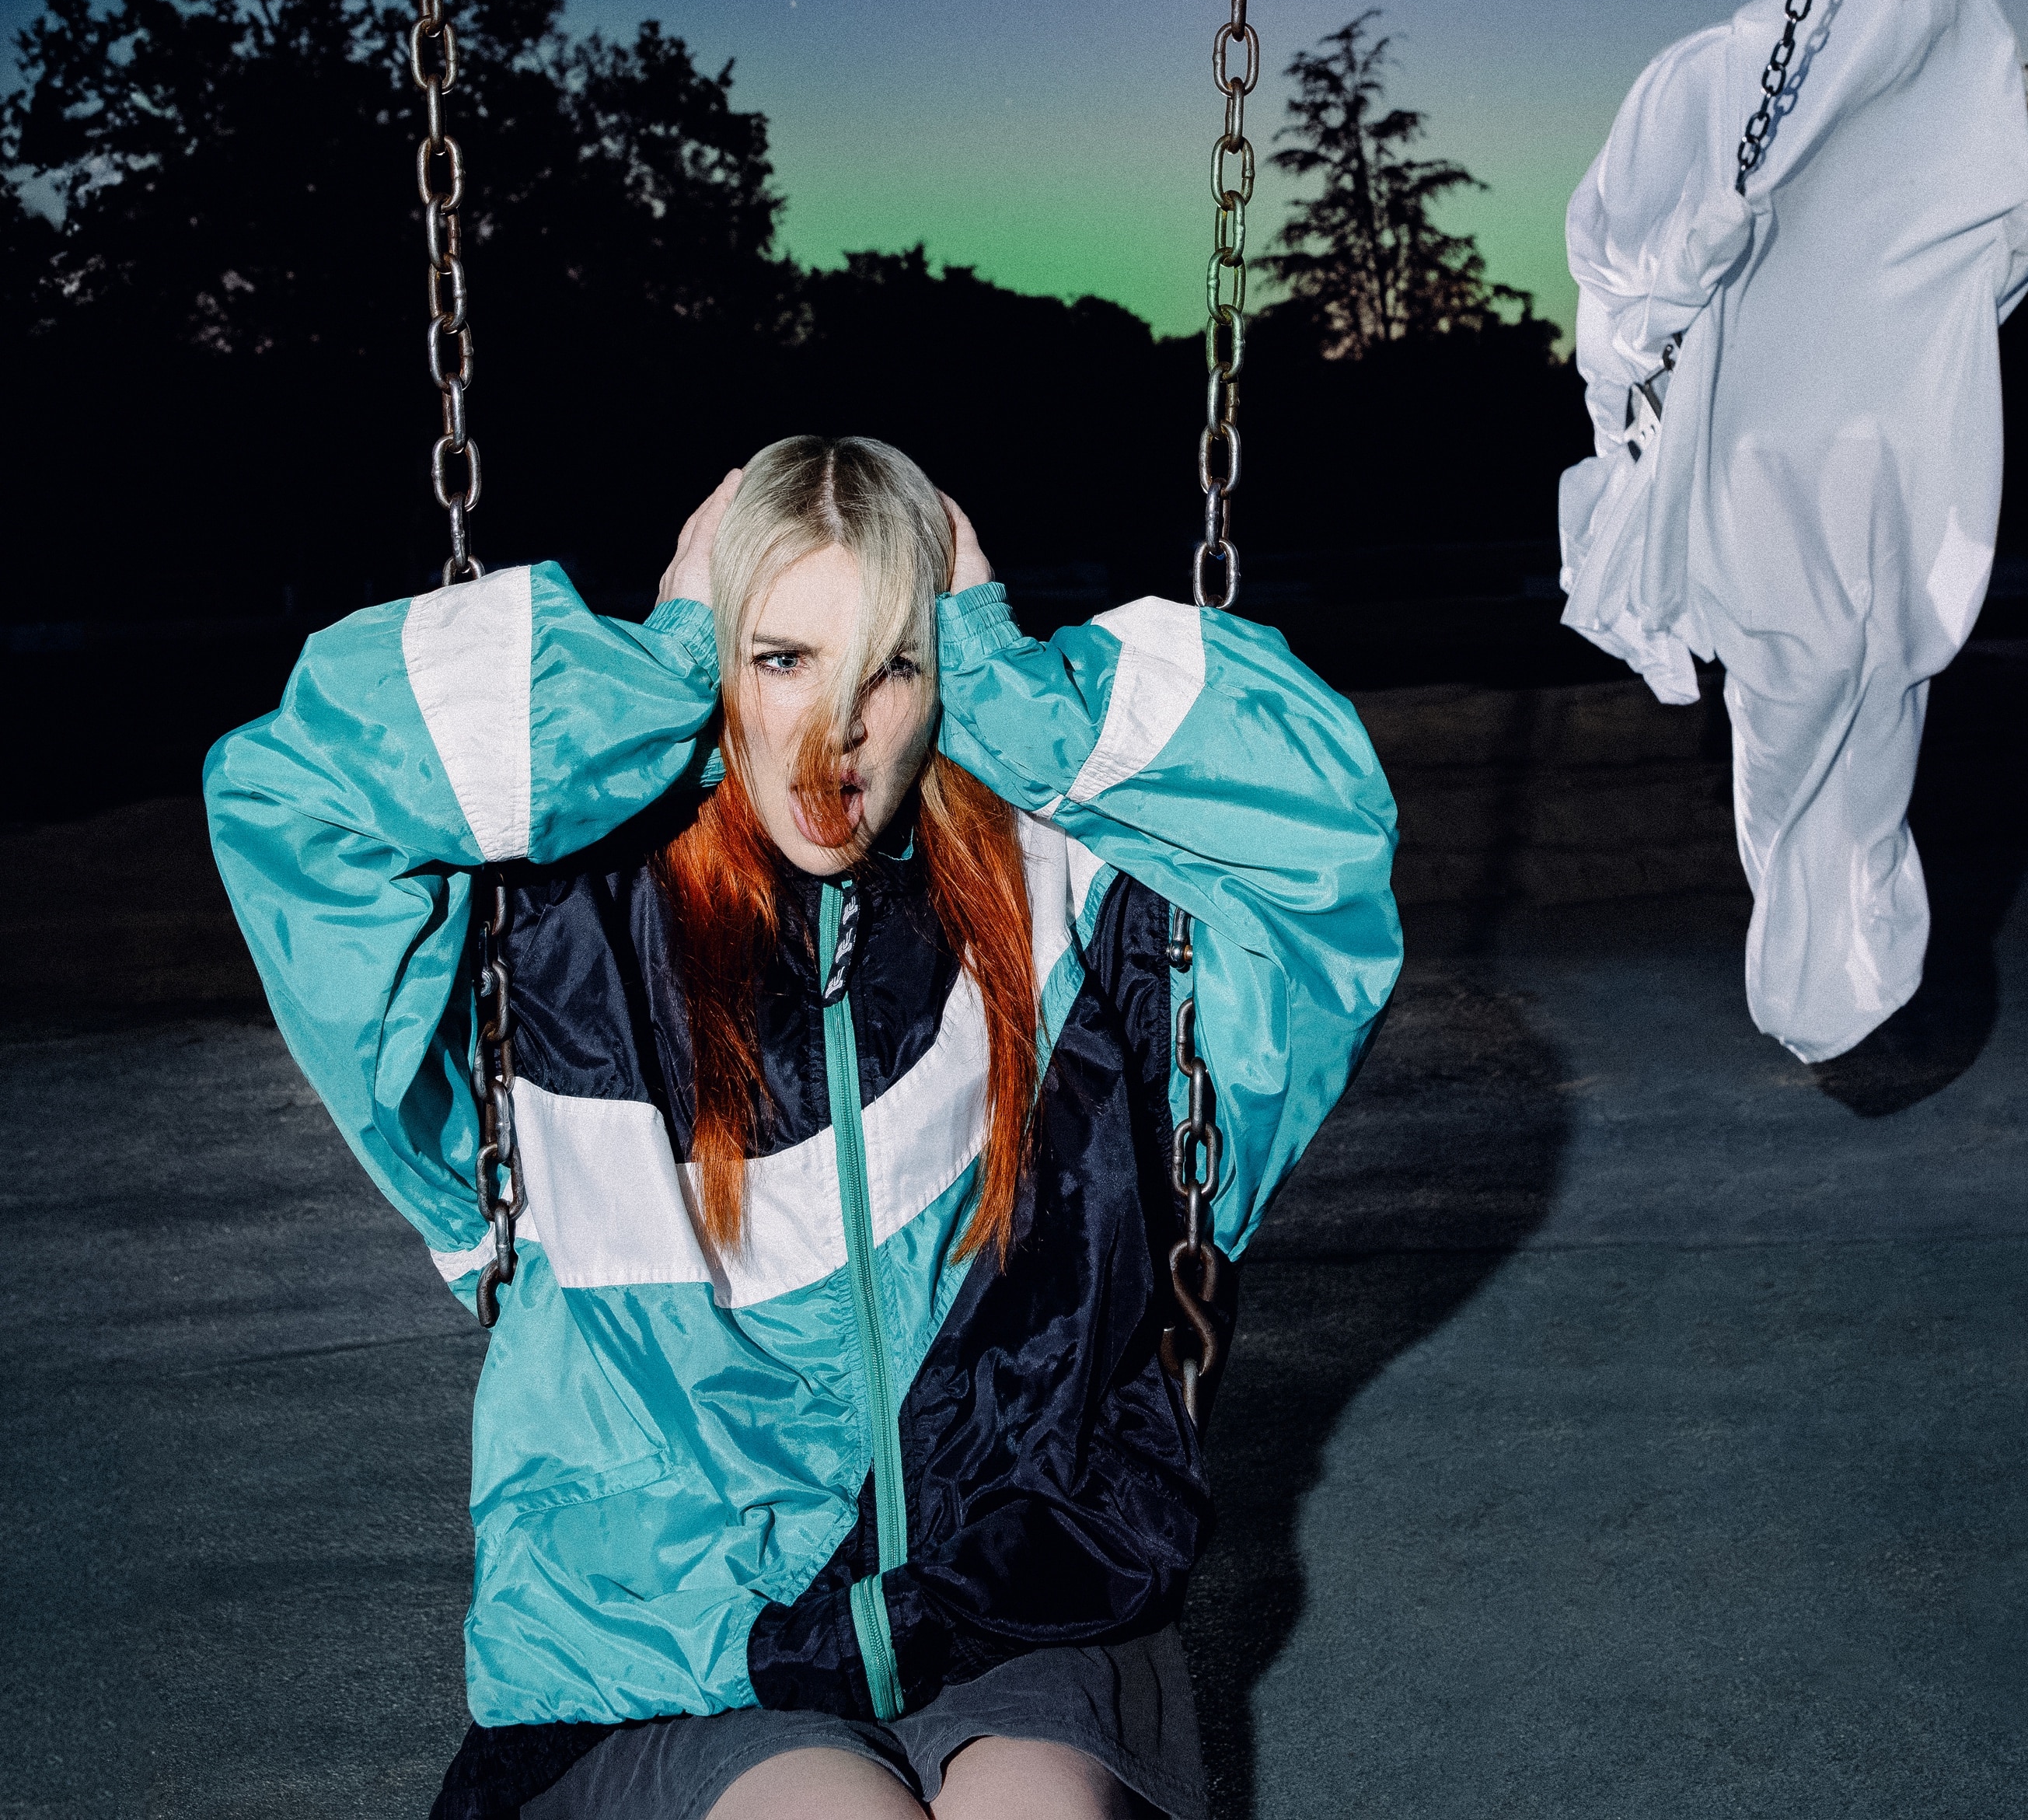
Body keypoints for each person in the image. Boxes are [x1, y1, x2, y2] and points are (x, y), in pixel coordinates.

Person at [204, 435, 1403, 1820]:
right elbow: (291, 798)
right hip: (673, 1649)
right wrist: (647, 673)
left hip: (1018, 1596)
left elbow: (1323, 835)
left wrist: (1010, 679)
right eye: (781, 659)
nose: (838, 732)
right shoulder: (564, 931)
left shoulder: (1060, 902)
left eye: (892, 667)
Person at [1556, 0, 2028, 1060]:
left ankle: (1863, 932)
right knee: (1802, 680)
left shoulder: (1939, 116)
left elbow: (1928, 310)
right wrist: (1686, 261)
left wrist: (2005, 262)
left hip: (1879, 461)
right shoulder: (1706, 83)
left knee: (1883, 683)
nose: (1919, 6)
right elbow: (1611, 305)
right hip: (1740, 455)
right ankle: (1804, 960)